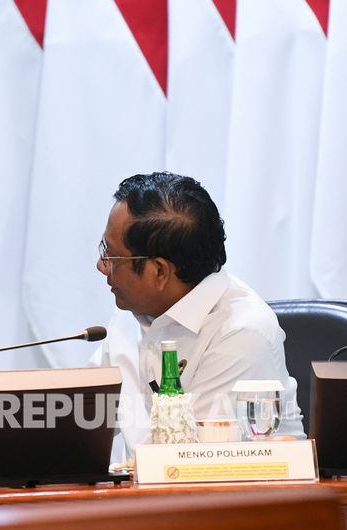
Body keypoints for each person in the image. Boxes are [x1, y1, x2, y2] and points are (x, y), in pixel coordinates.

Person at [90, 172, 304, 462]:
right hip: (145, 498)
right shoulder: (134, 310)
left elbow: (187, 465)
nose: (101, 266)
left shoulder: (240, 333)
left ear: (160, 272)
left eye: (112, 257)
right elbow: (82, 416)